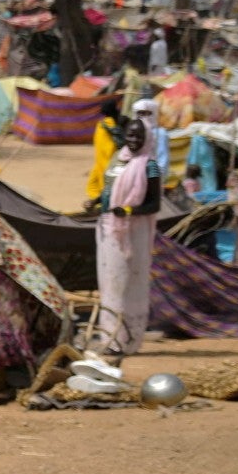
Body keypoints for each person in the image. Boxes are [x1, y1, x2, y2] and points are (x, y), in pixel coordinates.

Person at [94, 116, 159, 356]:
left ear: (147, 138)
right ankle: (110, 339)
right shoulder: (117, 158)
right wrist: (96, 201)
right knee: (109, 285)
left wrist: (129, 211)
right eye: (130, 135)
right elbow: (108, 189)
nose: (133, 140)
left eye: (138, 136)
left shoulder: (149, 166)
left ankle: (128, 340)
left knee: (128, 283)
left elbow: (154, 204)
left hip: (133, 232)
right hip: (108, 229)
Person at [85, 97, 126, 211]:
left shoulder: (102, 125)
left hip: (102, 161)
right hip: (111, 161)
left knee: (100, 185)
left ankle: (101, 204)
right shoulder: (117, 123)